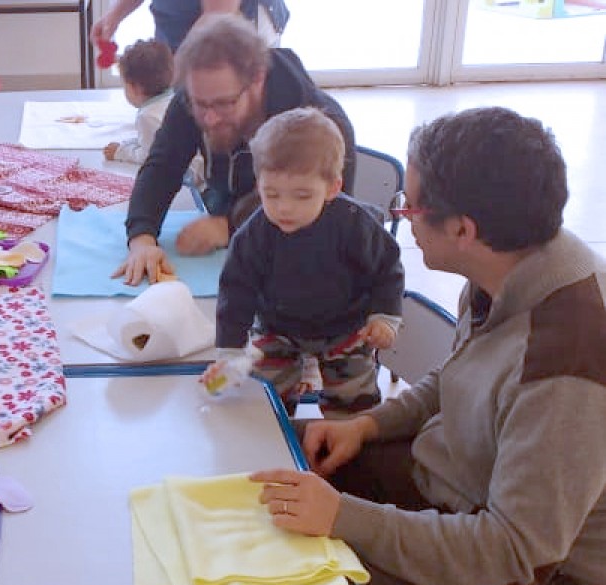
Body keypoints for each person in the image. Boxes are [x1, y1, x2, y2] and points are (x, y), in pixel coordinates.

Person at [247, 107, 606, 585]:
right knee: (273, 464)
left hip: (555, 577)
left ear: (463, 230)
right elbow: (456, 377)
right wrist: (365, 426)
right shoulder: (511, 266)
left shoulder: (567, 361)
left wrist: (347, 518)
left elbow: (516, 551)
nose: (402, 219)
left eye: (409, 208)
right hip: (466, 485)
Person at [115, 14, 356, 286]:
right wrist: (142, 237)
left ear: (257, 78)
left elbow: (323, 218)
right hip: (228, 242)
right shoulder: (201, 93)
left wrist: (228, 227)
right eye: (199, 104)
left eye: (223, 104)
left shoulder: (322, 127)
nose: (209, 118)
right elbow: (162, 165)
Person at [202, 108, 403, 416]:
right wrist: (230, 351)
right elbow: (235, 291)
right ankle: (278, 434)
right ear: (258, 184)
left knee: (354, 407)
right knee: (266, 406)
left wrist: (385, 316)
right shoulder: (253, 234)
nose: (284, 208)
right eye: (272, 194)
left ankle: (349, 441)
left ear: (333, 187)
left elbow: (387, 267)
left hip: (346, 327)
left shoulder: (354, 224)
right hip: (278, 327)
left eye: (302, 196)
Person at [91, 0, 289, 54]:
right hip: (180, 22)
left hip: (238, 23)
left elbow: (217, 15)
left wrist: (173, 71)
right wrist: (114, 16)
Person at [103, 39, 175, 167]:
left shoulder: (147, 116)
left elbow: (148, 155)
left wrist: (120, 152)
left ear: (135, 88)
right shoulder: (173, 98)